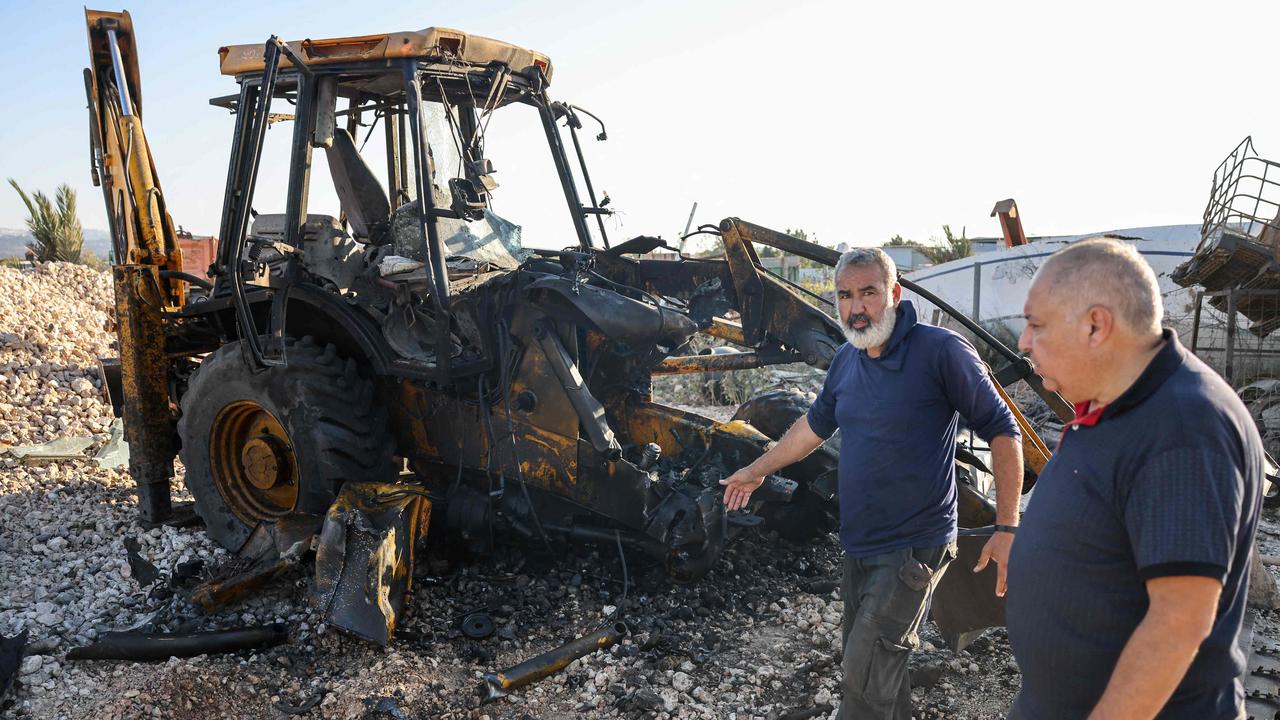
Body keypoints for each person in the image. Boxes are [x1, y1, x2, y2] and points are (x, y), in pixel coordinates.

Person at [721, 247, 1024, 720]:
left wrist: (1007, 527)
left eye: (868, 292)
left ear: (894, 293)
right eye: (845, 295)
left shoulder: (940, 351)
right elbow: (811, 428)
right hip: (859, 544)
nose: (856, 307)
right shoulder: (847, 359)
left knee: (863, 676)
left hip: (914, 545)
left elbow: (1004, 430)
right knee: (878, 666)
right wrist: (758, 468)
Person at [1006, 238, 1264, 719]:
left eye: (1036, 325)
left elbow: (1179, 622)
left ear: (1096, 326)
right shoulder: (1115, 403)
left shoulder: (1184, 427)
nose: (1024, 341)